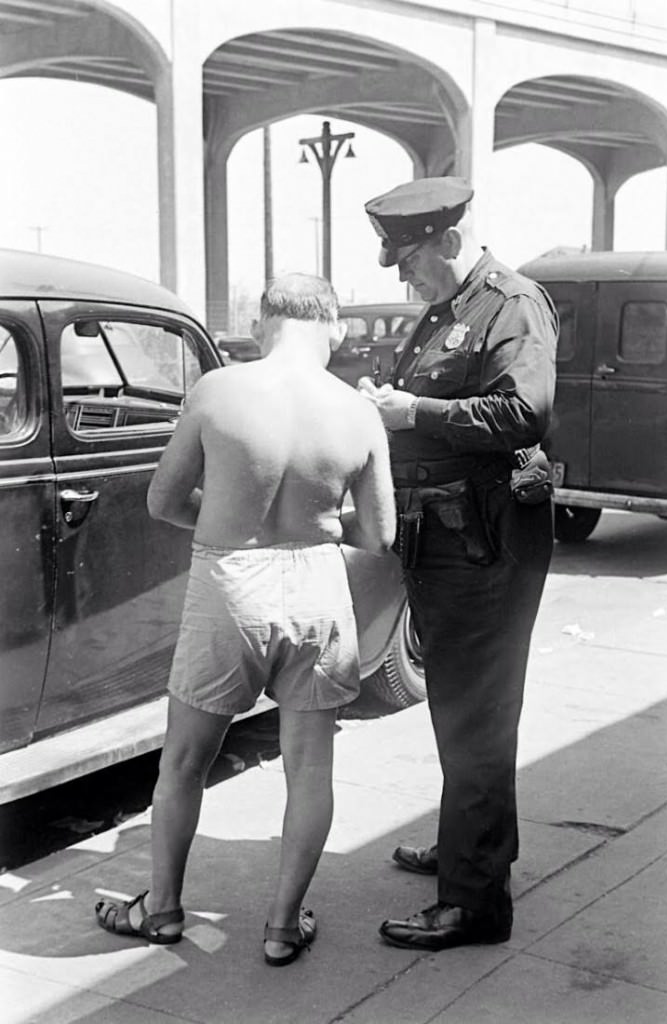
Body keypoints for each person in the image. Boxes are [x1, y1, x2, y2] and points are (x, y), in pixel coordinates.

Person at [94, 273, 396, 966]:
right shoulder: (356, 412)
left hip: (230, 582)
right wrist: (311, 524)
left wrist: (233, 523)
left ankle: (162, 910)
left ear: (263, 323)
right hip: (319, 585)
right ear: (336, 326)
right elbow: (378, 537)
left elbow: (163, 500)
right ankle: (283, 927)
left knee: (184, 760)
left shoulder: (220, 391)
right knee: (310, 764)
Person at [360, 176, 558, 951]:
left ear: (447, 241)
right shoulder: (447, 313)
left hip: (485, 541)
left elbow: (522, 412)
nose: (403, 276)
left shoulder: (510, 304)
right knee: (461, 709)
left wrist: (414, 412)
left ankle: (474, 905)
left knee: (474, 715)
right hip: (446, 538)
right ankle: (473, 849)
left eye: (408, 260)